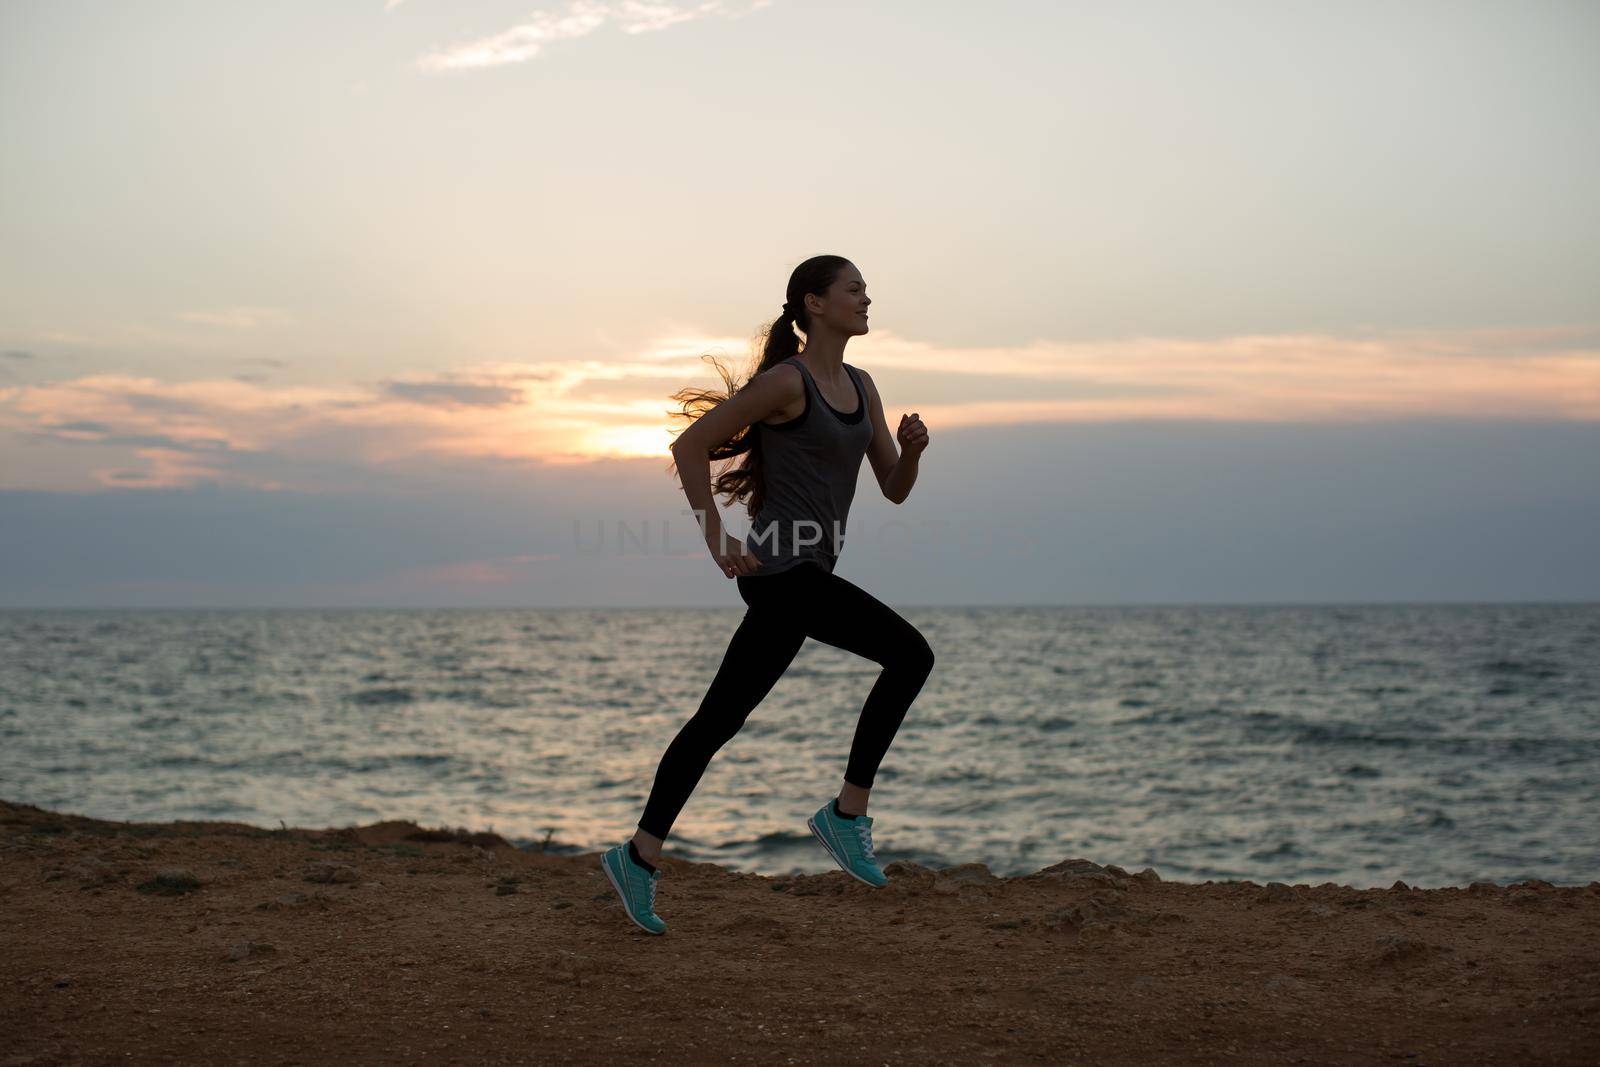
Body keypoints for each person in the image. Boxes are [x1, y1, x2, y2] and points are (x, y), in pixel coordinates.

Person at [599, 255, 935, 934]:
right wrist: (717, 536)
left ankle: (638, 855)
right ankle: (847, 815)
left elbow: (892, 487)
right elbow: (690, 444)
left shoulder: (863, 387)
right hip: (782, 572)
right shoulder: (788, 382)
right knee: (910, 656)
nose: (867, 300)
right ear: (815, 303)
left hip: (804, 575)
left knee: (718, 718)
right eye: (855, 290)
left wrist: (913, 450)